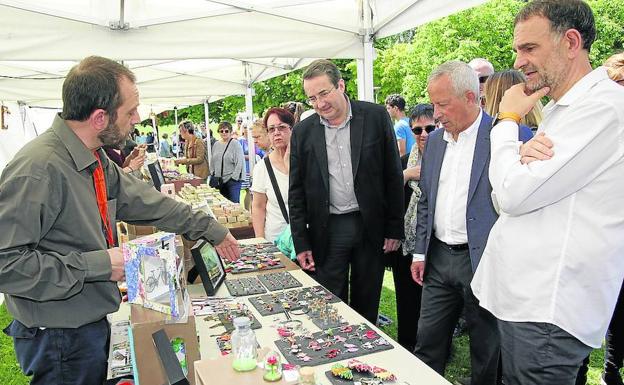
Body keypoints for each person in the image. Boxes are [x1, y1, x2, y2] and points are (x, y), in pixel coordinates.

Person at [0, 56, 240, 385]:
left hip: (85, 324)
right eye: (130, 111)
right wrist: (99, 265)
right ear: (100, 118)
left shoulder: (93, 158)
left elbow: (149, 203)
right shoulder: (39, 169)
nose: (137, 119)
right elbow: (6, 265)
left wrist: (212, 228)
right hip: (59, 338)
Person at [470, 1, 624, 385]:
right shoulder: (566, 109)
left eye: (529, 48)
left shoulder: (602, 109)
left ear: (571, 42)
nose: (519, 61)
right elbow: (505, 197)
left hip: (547, 310)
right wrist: (517, 163)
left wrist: (506, 124)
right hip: (529, 303)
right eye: (517, 50)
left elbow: (510, 195)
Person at [410, 61, 517, 385]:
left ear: (471, 97)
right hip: (440, 259)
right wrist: (419, 252)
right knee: (427, 341)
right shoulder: (437, 143)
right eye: (433, 104)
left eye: (443, 104)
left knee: (486, 348)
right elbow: (426, 199)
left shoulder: (502, 135)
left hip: (483, 261)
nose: (436, 114)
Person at [289, 59, 404, 324]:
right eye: (312, 98)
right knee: (330, 303)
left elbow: (392, 175)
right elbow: (296, 192)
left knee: (367, 298)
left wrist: (394, 228)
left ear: (340, 85)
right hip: (328, 229)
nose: (319, 104)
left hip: (369, 226)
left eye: (324, 93)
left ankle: (367, 354)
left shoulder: (375, 117)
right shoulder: (303, 132)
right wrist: (301, 241)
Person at [389, 103, 434, 353]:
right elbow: (390, 199)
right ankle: (407, 344)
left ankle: (433, 348)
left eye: (430, 128)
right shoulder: (405, 163)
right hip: (406, 245)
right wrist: (406, 175)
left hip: (434, 246)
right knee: (406, 299)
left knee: (432, 305)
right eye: (417, 130)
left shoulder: (447, 157)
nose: (424, 134)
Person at [251, 108, 294, 242]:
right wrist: (260, 240)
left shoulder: (307, 162)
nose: (276, 133)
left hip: (309, 240)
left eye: (281, 127)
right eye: (271, 129)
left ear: (292, 129)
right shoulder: (262, 168)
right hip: (277, 240)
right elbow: (258, 207)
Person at [211, 121, 245, 203]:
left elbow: (239, 162)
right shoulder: (216, 144)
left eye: (226, 131)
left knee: (234, 205)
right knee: (221, 205)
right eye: (221, 131)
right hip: (219, 180)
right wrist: (213, 172)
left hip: (232, 181)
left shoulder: (235, 144)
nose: (224, 133)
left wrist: (234, 177)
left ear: (230, 132)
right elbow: (212, 160)